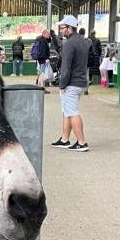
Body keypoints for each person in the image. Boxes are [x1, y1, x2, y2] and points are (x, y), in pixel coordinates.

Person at [50, 15, 90, 152]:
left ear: (70, 27)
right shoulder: (83, 42)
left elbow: (66, 68)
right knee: (67, 111)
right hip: (81, 81)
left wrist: (62, 85)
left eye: (62, 28)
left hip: (72, 83)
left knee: (72, 112)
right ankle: (65, 139)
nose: (61, 30)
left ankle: (82, 142)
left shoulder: (69, 44)